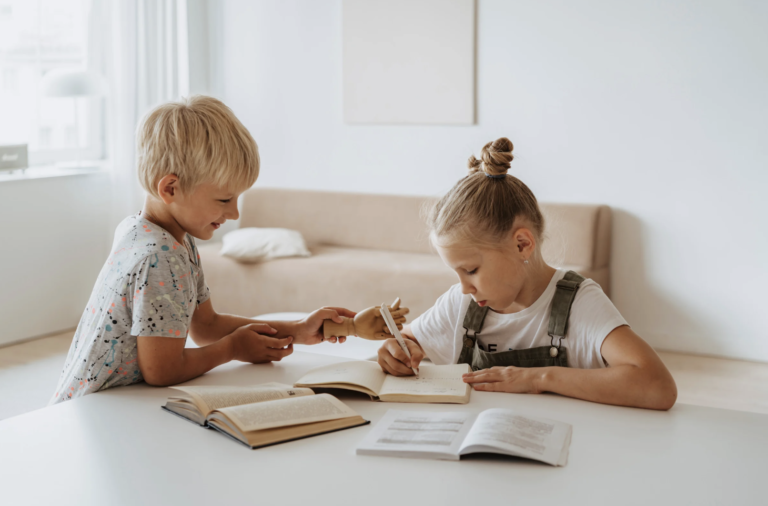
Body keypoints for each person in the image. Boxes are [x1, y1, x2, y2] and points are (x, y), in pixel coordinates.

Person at [50, 96, 354, 403]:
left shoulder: (151, 231)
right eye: (224, 200)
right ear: (170, 188)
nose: (234, 213)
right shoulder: (159, 257)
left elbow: (206, 326)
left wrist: (299, 330)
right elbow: (162, 370)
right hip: (93, 409)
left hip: (107, 403)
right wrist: (232, 349)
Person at [376, 138, 677, 410]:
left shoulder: (579, 304)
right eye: (456, 273)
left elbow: (658, 387)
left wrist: (539, 378)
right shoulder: (461, 303)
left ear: (522, 245)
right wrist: (400, 350)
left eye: (471, 270)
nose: (464, 287)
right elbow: (409, 339)